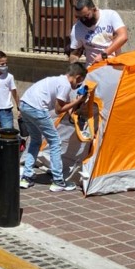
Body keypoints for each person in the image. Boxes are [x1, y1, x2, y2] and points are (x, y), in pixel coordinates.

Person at [19, 62, 88, 192]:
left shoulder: (57, 80)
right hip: (37, 109)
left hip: (24, 105)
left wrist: (74, 107)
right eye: (79, 82)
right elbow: (58, 110)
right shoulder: (66, 85)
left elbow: (64, 106)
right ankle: (58, 181)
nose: (77, 86)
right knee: (55, 142)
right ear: (78, 77)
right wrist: (78, 101)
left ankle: (26, 177)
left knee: (35, 140)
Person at [66, 0, 128, 65]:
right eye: (80, 17)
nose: (83, 20)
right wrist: (73, 67)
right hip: (93, 68)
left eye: (86, 16)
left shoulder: (110, 16)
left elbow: (123, 36)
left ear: (94, 9)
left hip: (113, 64)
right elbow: (75, 53)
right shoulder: (77, 28)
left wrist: (103, 55)